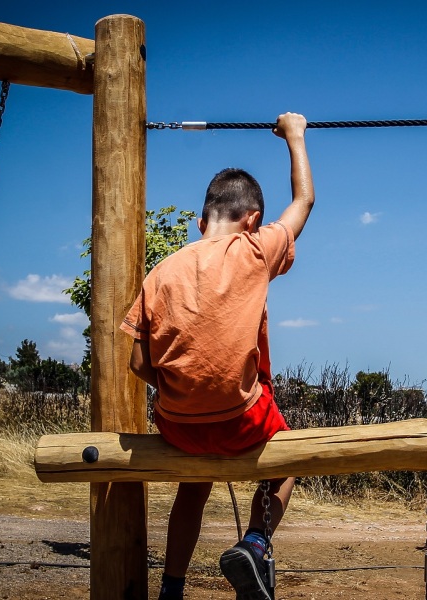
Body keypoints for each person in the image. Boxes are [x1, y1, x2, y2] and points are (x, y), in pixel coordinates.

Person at [121, 112, 314, 600]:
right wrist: (295, 134)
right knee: (288, 460)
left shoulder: (160, 273)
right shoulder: (252, 250)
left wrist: (185, 389)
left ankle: (171, 587)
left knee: (194, 486)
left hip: (178, 425)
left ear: (201, 221)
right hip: (241, 420)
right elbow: (304, 201)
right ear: (251, 221)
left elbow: (138, 365)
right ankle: (254, 543)